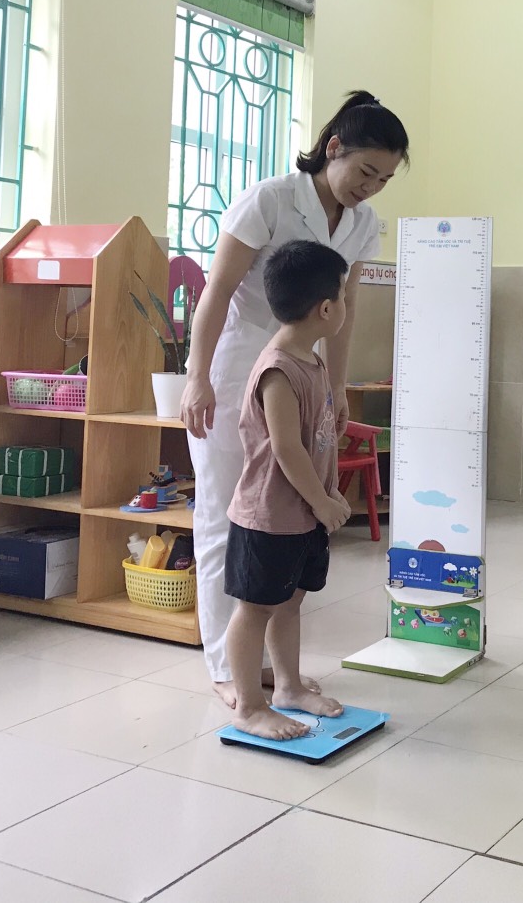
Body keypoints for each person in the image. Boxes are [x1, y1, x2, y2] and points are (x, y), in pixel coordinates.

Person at [181, 91, 409, 707]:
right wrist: (197, 377)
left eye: (384, 180)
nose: (370, 187)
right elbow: (217, 291)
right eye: (365, 171)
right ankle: (227, 667)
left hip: (303, 370)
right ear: (333, 148)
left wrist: (336, 388)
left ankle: (274, 670)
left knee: (284, 517)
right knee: (228, 515)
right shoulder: (271, 199)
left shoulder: (362, 223)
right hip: (237, 367)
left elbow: (345, 310)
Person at [225, 240, 352, 740]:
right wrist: (321, 500)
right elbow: (286, 449)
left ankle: (289, 688)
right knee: (255, 608)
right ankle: (249, 707)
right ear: (326, 309)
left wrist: (328, 496)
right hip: (268, 517)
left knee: (291, 602)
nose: (345, 305)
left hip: (303, 514)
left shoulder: (312, 362)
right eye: (343, 296)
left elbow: (317, 443)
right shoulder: (278, 370)